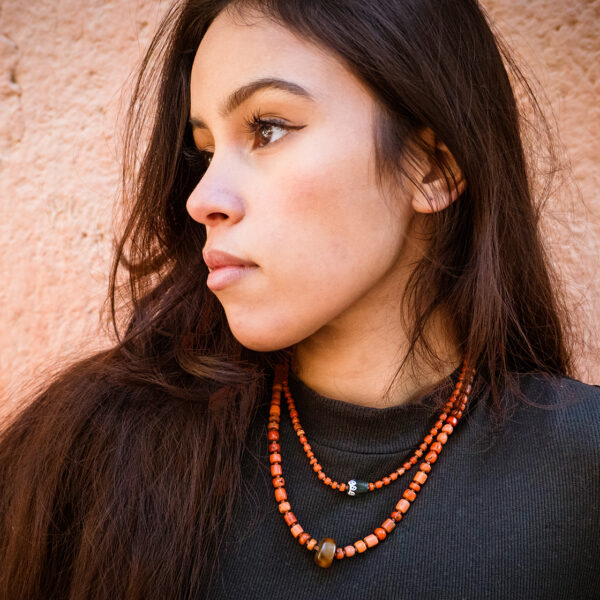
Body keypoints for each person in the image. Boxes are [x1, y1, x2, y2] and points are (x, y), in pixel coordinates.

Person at [1, 0, 598, 598]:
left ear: (431, 169)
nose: (202, 198)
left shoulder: (581, 473)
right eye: (204, 151)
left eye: (267, 129)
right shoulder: (88, 459)